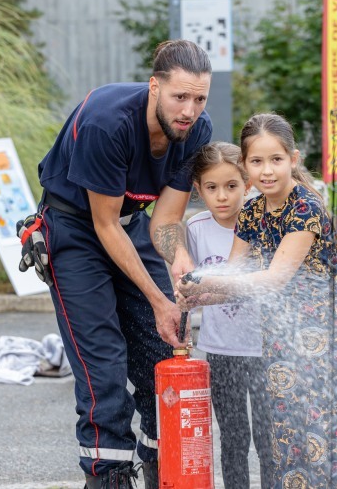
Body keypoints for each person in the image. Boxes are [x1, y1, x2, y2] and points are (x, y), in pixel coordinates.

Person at [17, 39, 212, 489]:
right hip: (77, 230)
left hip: (128, 224)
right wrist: (157, 298)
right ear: (153, 87)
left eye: (199, 98)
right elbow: (105, 226)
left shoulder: (195, 132)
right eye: (179, 96)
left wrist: (179, 262)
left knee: (160, 351)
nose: (189, 110)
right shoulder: (110, 123)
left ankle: (161, 468)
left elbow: (165, 219)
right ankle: (108, 478)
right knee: (103, 364)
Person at [176, 113, 337, 489]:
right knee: (282, 437)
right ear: (246, 166)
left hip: (316, 340)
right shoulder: (254, 211)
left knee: (314, 434)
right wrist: (196, 294)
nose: (267, 171)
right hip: (275, 338)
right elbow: (235, 273)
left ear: (294, 158)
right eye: (257, 162)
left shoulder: (305, 207)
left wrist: (207, 280)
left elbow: (273, 279)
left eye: (276, 159)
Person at [185, 141, 273, 488]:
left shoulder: (265, 221)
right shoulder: (196, 229)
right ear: (198, 189)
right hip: (221, 351)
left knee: (269, 440)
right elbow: (187, 289)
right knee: (234, 439)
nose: (222, 196)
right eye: (212, 187)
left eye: (232, 186)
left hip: (266, 350)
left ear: (247, 184)